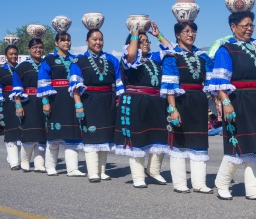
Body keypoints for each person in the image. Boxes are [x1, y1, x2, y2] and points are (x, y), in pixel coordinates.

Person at [207, 10, 256, 201]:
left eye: (251, 25)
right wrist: (226, 103)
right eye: (245, 25)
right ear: (233, 27)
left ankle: (253, 188)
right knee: (237, 143)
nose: (249, 29)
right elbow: (220, 81)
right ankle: (223, 184)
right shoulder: (226, 49)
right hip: (238, 100)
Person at [114, 23, 172, 188]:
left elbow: (171, 51)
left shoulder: (154, 58)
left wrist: (158, 35)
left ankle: (153, 170)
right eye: (141, 41)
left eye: (147, 41)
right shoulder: (128, 59)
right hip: (136, 101)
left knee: (159, 136)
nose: (146, 43)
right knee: (137, 139)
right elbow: (132, 54)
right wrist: (134, 34)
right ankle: (138, 176)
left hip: (156, 102)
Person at [160, 20, 214, 194]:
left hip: (199, 100)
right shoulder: (171, 56)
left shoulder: (203, 56)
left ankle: (199, 183)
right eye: (186, 31)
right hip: (180, 100)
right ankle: (180, 182)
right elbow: (169, 86)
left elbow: (212, 81)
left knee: (199, 140)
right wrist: (173, 109)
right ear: (178, 35)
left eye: (193, 31)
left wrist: (218, 103)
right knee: (180, 142)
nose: (191, 35)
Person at [69, 27, 125, 183]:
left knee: (105, 135)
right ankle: (93, 172)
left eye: (100, 39)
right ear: (87, 41)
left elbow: (119, 82)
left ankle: (102, 170)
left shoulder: (112, 59)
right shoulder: (78, 61)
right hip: (89, 100)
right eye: (95, 39)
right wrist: (78, 104)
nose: (98, 42)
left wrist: (119, 101)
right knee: (92, 134)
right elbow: (75, 86)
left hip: (108, 100)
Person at [37, 29, 86, 177]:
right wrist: (45, 102)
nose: (66, 42)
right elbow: (43, 81)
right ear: (56, 43)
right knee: (54, 133)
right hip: (55, 98)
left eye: (68, 40)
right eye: (63, 40)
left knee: (72, 132)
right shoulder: (49, 60)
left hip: (72, 97)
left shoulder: (75, 59)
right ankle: (50, 166)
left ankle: (72, 168)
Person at [12, 37, 47, 173]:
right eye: (34, 48)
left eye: (40, 47)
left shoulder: (46, 64)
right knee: (29, 131)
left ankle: (39, 163)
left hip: (44, 101)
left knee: (42, 131)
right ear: (29, 50)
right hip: (28, 102)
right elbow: (16, 87)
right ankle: (25, 161)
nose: (38, 50)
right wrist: (18, 105)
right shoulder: (22, 67)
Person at [0, 45, 21, 170]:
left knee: (21, 131)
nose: (13, 56)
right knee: (10, 130)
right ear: (6, 56)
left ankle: (13, 156)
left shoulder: (21, 68)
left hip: (21, 101)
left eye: (15, 54)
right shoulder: (0, 71)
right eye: (11, 54)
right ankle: (14, 162)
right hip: (7, 102)